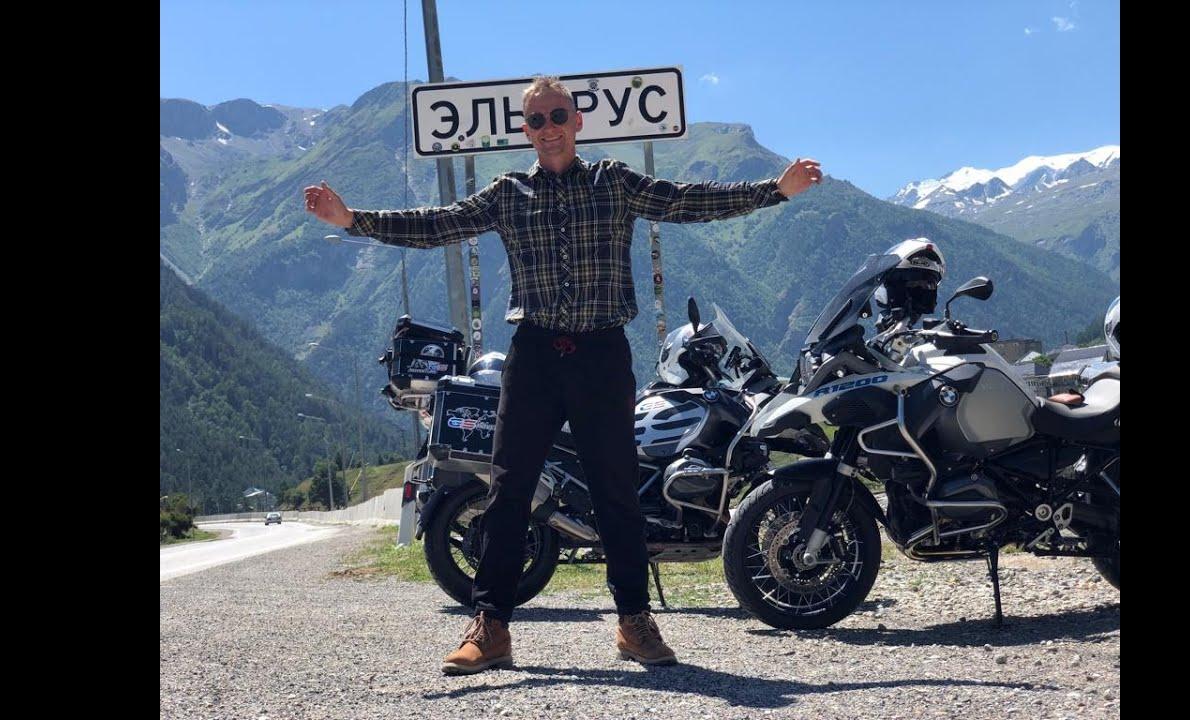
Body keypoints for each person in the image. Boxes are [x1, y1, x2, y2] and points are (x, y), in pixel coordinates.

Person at [304, 76, 822, 675]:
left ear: (576, 123)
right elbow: (438, 224)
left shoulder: (614, 182)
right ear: (525, 131)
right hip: (534, 356)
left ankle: (634, 622)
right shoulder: (508, 193)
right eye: (536, 120)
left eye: (557, 117)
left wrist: (774, 191)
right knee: (508, 490)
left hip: (602, 355)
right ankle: (491, 626)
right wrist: (352, 220)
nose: (547, 129)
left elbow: (686, 200)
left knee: (616, 491)